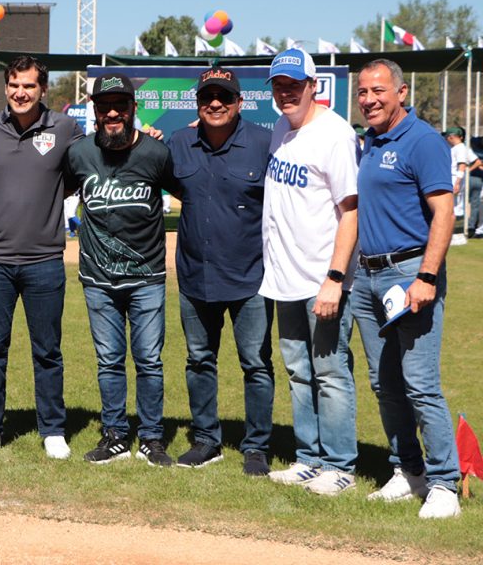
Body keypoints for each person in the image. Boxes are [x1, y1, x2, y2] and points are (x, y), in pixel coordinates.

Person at [350, 59, 462, 519]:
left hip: (410, 273)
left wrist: (427, 276)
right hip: (367, 277)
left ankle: (445, 484)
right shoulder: (370, 141)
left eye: (378, 90)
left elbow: (444, 212)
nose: (369, 99)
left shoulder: (423, 141)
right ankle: (408, 470)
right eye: (362, 92)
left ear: (401, 93)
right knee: (385, 384)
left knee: (420, 384)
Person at [0, 55, 84, 459]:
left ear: (43, 89)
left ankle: (52, 429)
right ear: (6, 87)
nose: (21, 93)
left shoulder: (65, 128)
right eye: (14, 85)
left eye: (29, 86)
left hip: (44, 260)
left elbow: (91, 164)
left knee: (47, 350)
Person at [165, 68, 275, 475]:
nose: (215, 103)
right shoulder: (179, 142)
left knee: (256, 365)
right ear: (197, 103)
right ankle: (206, 440)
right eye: (207, 97)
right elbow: (174, 185)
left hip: (251, 277)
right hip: (196, 276)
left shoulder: (264, 143)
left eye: (224, 97)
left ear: (239, 103)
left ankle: (257, 447)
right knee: (199, 361)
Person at [64, 72, 178, 465]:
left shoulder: (156, 153)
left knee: (149, 361)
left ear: (133, 108)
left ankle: (151, 437)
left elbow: (187, 192)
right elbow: (55, 190)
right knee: (109, 361)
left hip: (147, 276)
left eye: (120, 105)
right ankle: (114, 434)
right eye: (104, 106)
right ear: (94, 111)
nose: (112, 113)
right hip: (98, 277)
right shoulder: (79, 154)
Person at [260, 49, 360, 495]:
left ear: (313, 86)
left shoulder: (335, 134)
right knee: (299, 371)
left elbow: (351, 212)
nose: (286, 93)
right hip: (285, 276)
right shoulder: (280, 129)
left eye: (294, 85)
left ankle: (340, 466)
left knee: (331, 373)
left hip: (322, 278)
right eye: (279, 85)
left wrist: (335, 279)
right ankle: (309, 459)